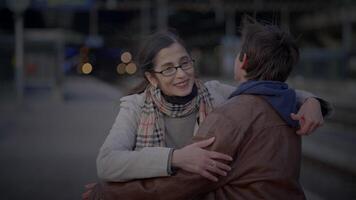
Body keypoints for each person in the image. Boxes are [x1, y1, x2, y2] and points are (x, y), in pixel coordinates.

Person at [86, 18, 315, 200]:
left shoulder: (215, 93)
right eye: (168, 69)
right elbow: (107, 162)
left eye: (185, 62)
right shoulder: (134, 107)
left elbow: (264, 93)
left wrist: (311, 102)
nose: (181, 74)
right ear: (151, 78)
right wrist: (175, 158)